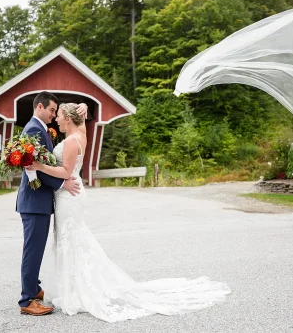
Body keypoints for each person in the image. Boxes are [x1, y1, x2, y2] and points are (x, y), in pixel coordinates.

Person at [26, 102, 231, 322]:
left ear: (68, 119)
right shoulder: (82, 135)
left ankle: (76, 290)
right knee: (72, 239)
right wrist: (84, 107)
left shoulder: (69, 141)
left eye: (60, 116)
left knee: (71, 240)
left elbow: (66, 171)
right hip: (73, 195)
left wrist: (40, 166)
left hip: (69, 195)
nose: (56, 119)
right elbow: (79, 129)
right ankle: (72, 286)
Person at [17, 92, 87, 315]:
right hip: (34, 200)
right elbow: (33, 165)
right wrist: (61, 184)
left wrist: (82, 106)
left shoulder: (41, 128)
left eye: (57, 112)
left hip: (42, 200)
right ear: (40, 107)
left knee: (36, 248)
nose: (54, 115)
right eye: (51, 110)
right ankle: (27, 300)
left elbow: (40, 163)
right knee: (33, 250)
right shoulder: (34, 129)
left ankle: (34, 289)